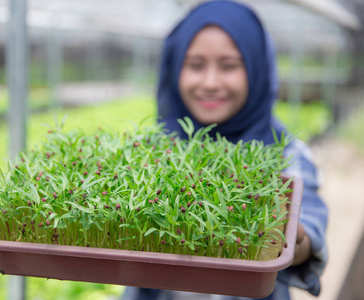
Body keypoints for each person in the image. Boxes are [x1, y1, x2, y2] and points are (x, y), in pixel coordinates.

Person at [121, 1, 328, 299]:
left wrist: (296, 241)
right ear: (175, 66)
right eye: (195, 65)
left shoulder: (286, 153)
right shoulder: (155, 150)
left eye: (229, 65)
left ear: (257, 67)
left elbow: (309, 219)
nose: (210, 82)